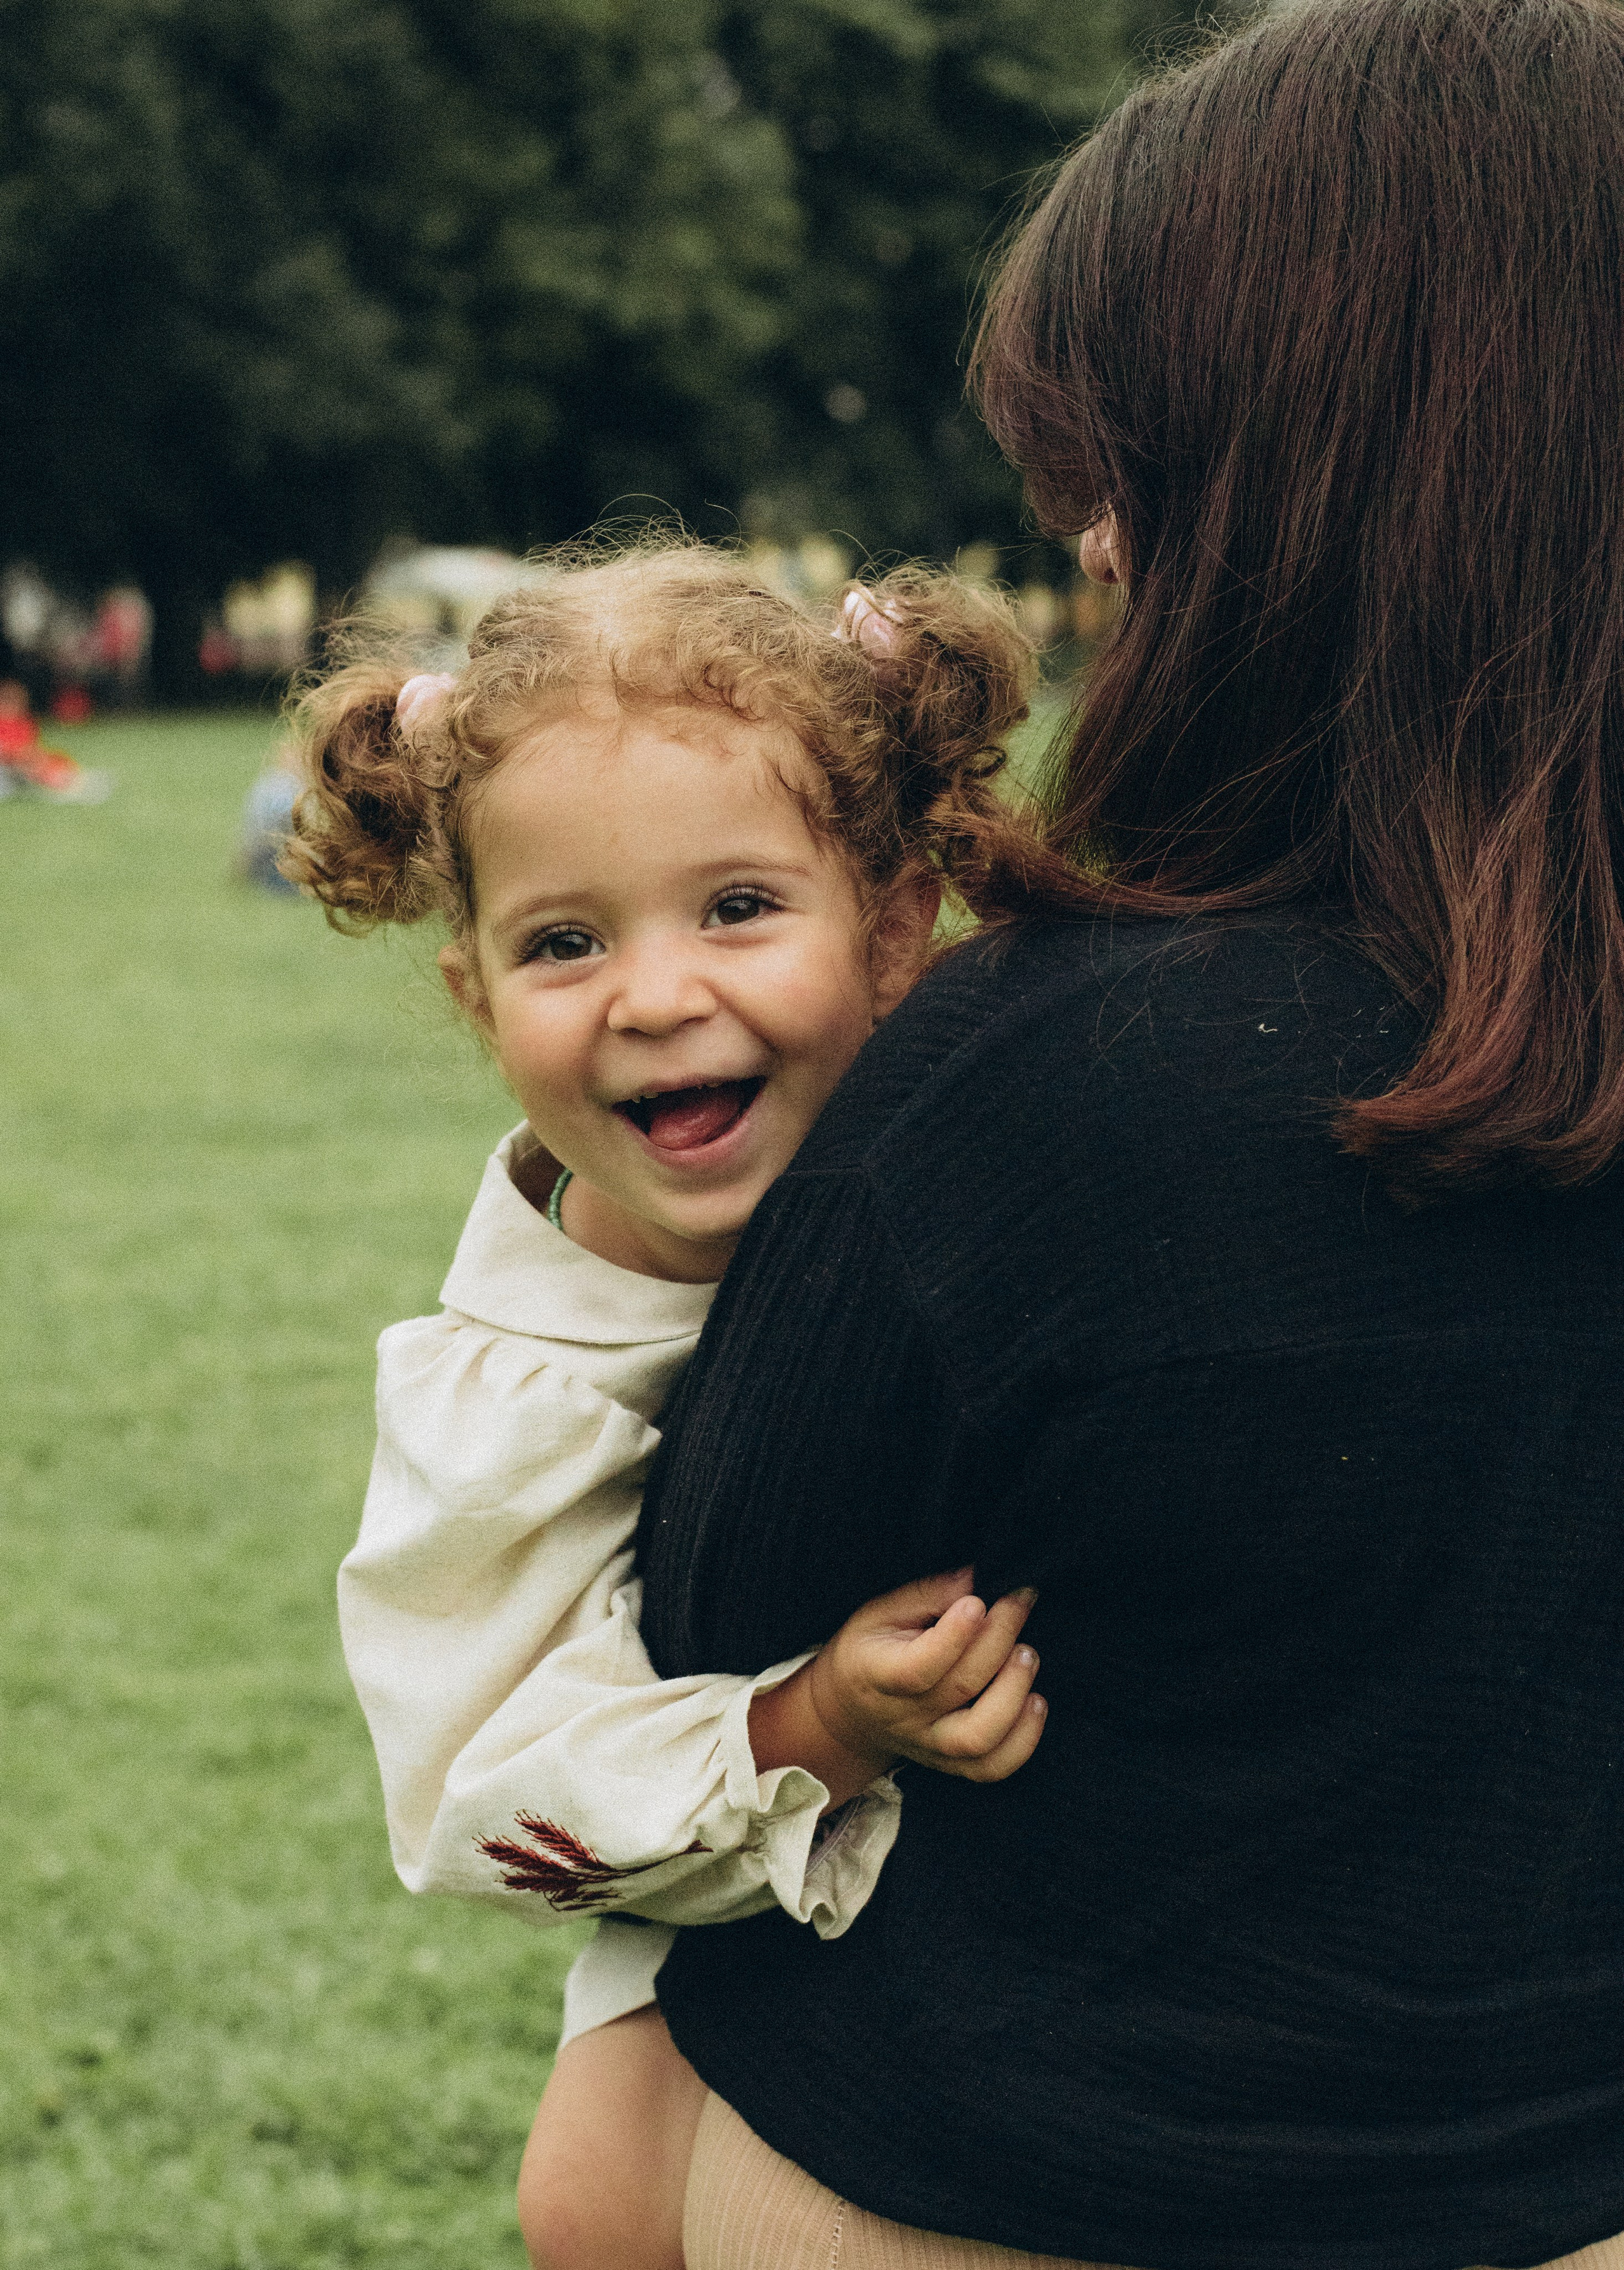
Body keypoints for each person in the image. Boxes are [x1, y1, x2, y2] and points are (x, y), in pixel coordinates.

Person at [629, 3, 1624, 2264]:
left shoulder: (1045, 1088)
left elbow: (714, 1631)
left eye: (1118, 478)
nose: (1085, 555)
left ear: (1302, 492)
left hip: (1010, 2185)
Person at [282, 542, 1053, 2270]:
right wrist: (810, 1726)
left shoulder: (1012, 1177)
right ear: (478, 997)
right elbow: (479, 1777)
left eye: (735, 908)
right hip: (727, 1887)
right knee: (597, 2201)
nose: (651, 993)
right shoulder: (514, 1391)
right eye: (563, 941)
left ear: (897, 931)